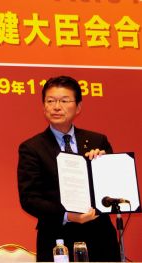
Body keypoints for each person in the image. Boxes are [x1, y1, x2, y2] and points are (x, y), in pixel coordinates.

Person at [17, 76, 120, 262]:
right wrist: (67, 216)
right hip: (57, 239)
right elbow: (29, 199)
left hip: (100, 237)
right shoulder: (32, 148)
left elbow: (111, 190)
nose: (57, 107)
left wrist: (101, 166)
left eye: (64, 101)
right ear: (44, 107)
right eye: (50, 101)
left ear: (78, 107)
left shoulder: (98, 141)